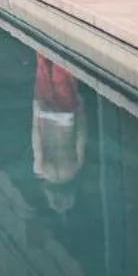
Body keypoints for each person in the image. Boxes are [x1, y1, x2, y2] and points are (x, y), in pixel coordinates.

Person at [31, 53, 86, 213]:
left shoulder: (74, 169)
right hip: (45, 114)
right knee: (43, 65)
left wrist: (81, 111)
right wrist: (35, 112)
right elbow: (37, 138)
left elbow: (80, 137)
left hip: (66, 117)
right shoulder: (41, 170)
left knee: (64, 68)